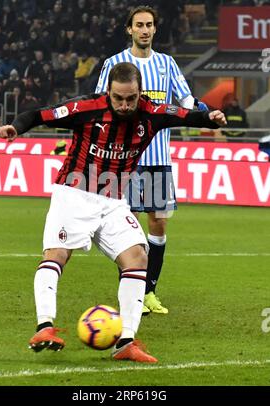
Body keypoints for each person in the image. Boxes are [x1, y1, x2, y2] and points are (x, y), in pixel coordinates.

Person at [0, 62, 226, 363]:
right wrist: (16, 127)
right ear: (109, 92)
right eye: (118, 98)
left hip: (114, 200)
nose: (125, 105)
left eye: (131, 98)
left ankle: (126, 341)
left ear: (139, 93)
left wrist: (210, 117)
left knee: (138, 257)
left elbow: (185, 114)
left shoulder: (151, 113)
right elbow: (38, 114)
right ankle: (45, 327)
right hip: (74, 193)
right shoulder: (86, 108)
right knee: (57, 254)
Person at [95, 5, 209, 315]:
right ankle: (129, 292)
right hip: (125, 159)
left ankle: (148, 293)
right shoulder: (114, 64)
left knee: (158, 225)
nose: (144, 30)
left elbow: (186, 101)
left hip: (159, 158)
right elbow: (97, 105)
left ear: (155, 29)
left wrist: (206, 113)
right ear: (128, 29)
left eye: (149, 25)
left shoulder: (167, 64)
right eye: (139, 25)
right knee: (125, 227)